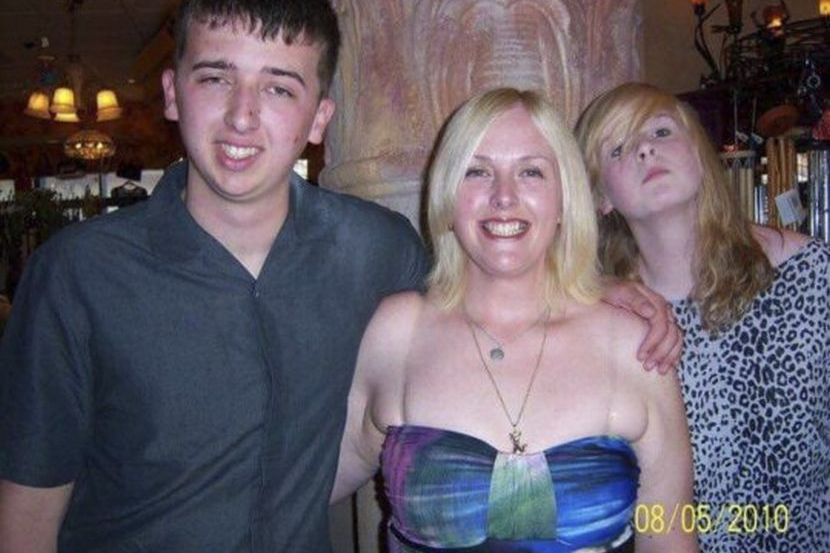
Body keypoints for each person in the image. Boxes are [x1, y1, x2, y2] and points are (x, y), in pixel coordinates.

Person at [0, 4, 678, 553]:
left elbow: (488, 281)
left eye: (278, 87)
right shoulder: (78, 275)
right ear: (173, 93)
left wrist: (594, 287)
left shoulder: (377, 250)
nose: (242, 115)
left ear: (320, 116)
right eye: (215, 78)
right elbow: (25, 512)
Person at [332, 88, 697, 553]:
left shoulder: (632, 345)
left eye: (531, 171)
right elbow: (302, 486)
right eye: (477, 171)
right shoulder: (398, 332)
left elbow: (671, 535)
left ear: (564, 200)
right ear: (446, 197)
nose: (503, 197)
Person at [575, 82, 830, 553]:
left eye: (661, 131)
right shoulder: (605, 322)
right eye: (618, 148)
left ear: (699, 153)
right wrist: (591, 290)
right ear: (600, 196)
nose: (645, 148)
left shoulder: (811, 273)